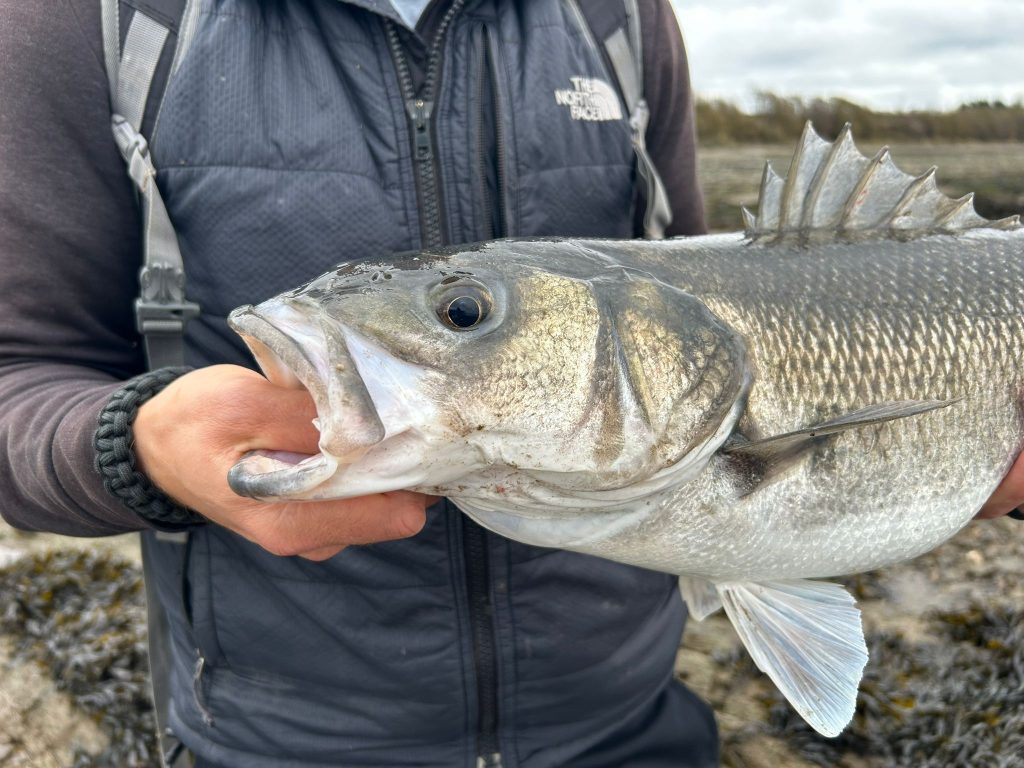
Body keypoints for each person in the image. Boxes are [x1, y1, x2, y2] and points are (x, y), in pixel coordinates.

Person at [1, 3, 1021, 768]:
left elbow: (719, 265)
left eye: (461, 313)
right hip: (273, 737)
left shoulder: (617, 16)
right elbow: (17, 378)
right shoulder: (78, 26)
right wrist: (141, 450)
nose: (451, 324)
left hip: (630, 725)